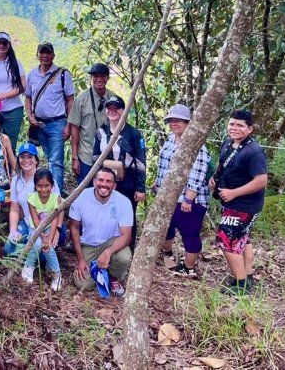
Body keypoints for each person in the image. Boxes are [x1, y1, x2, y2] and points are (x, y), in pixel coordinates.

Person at [209, 109, 268, 295]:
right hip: (232, 201)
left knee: (227, 240)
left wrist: (234, 193)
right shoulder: (228, 143)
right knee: (243, 239)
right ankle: (248, 277)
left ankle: (240, 284)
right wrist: (214, 177)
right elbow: (223, 162)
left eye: (240, 125)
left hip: (244, 205)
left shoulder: (254, 151)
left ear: (250, 129)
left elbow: (261, 180)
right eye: (232, 124)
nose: (234, 128)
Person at [152, 104, 211, 278]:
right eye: (171, 120)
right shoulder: (171, 139)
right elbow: (164, 164)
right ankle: (168, 254)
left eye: (178, 120)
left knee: (189, 232)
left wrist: (189, 198)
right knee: (166, 228)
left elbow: (198, 172)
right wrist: (158, 183)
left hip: (188, 199)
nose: (173, 123)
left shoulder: (196, 144)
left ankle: (189, 267)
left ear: (188, 122)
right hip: (168, 195)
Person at [88, 96, 146, 250]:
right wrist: (95, 180)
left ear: (123, 111)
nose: (112, 111)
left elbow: (140, 163)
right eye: (109, 108)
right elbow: (95, 158)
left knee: (127, 216)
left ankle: (128, 251)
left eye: (116, 108)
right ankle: (102, 247)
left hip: (127, 182)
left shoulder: (133, 134)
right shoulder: (101, 132)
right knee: (105, 214)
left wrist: (140, 188)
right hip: (105, 182)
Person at [69, 168, 133, 297]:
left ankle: (114, 277)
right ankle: (99, 269)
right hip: (89, 244)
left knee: (124, 258)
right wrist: (80, 259)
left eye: (109, 181)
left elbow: (126, 236)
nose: (104, 184)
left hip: (111, 243)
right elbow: (74, 228)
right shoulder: (82, 197)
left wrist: (107, 252)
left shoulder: (123, 202)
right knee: (83, 284)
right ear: (94, 182)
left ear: (114, 186)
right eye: (101, 180)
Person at [24, 42, 75, 194]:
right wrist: (29, 115)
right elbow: (27, 97)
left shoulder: (63, 74)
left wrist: (69, 125)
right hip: (39, 124)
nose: (45, 56)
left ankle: (57, 195)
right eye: (42, 53)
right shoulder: (32, 74)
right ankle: (52, 190)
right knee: (49, 157)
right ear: (37, 55)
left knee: (56, 161)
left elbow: (70, 99)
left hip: (57, 123)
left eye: (48, 53)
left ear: (53, 55)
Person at [5, 143, 61, 257]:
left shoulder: (45, 179)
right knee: (9, 250)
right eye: (22, 157)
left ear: (36, 160)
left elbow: (60, 207)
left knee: (43, 253)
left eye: (30, 157)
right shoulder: (16, 180)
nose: (26, 160)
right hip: (28, 224)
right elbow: (15, 209)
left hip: (48, 224)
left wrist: (58, 230)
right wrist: (13, 230)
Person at [68, 62, 116, 185]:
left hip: (107, 156)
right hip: (86, 156)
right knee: (84, 193)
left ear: (107, 78)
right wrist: (74, 158)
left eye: (102, 76)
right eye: (95, 76)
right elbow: (75, 129)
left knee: (105, 191)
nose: (99, 80)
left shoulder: (114, 98)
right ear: (91, 78)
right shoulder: (81, 99)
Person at [23, 169, 64, 291]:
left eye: (47, 185)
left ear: (52, 185)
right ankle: (28, 265)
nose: (43, 189)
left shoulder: (56, 198)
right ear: (35, 186)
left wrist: (49, 238)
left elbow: (54, 220)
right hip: (35, 228)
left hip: (49, 228)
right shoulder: (32, 198)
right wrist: (42, 237)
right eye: (39, 186)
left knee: (48, 248)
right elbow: (35, 220)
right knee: (36, 244)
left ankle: (56, 274)